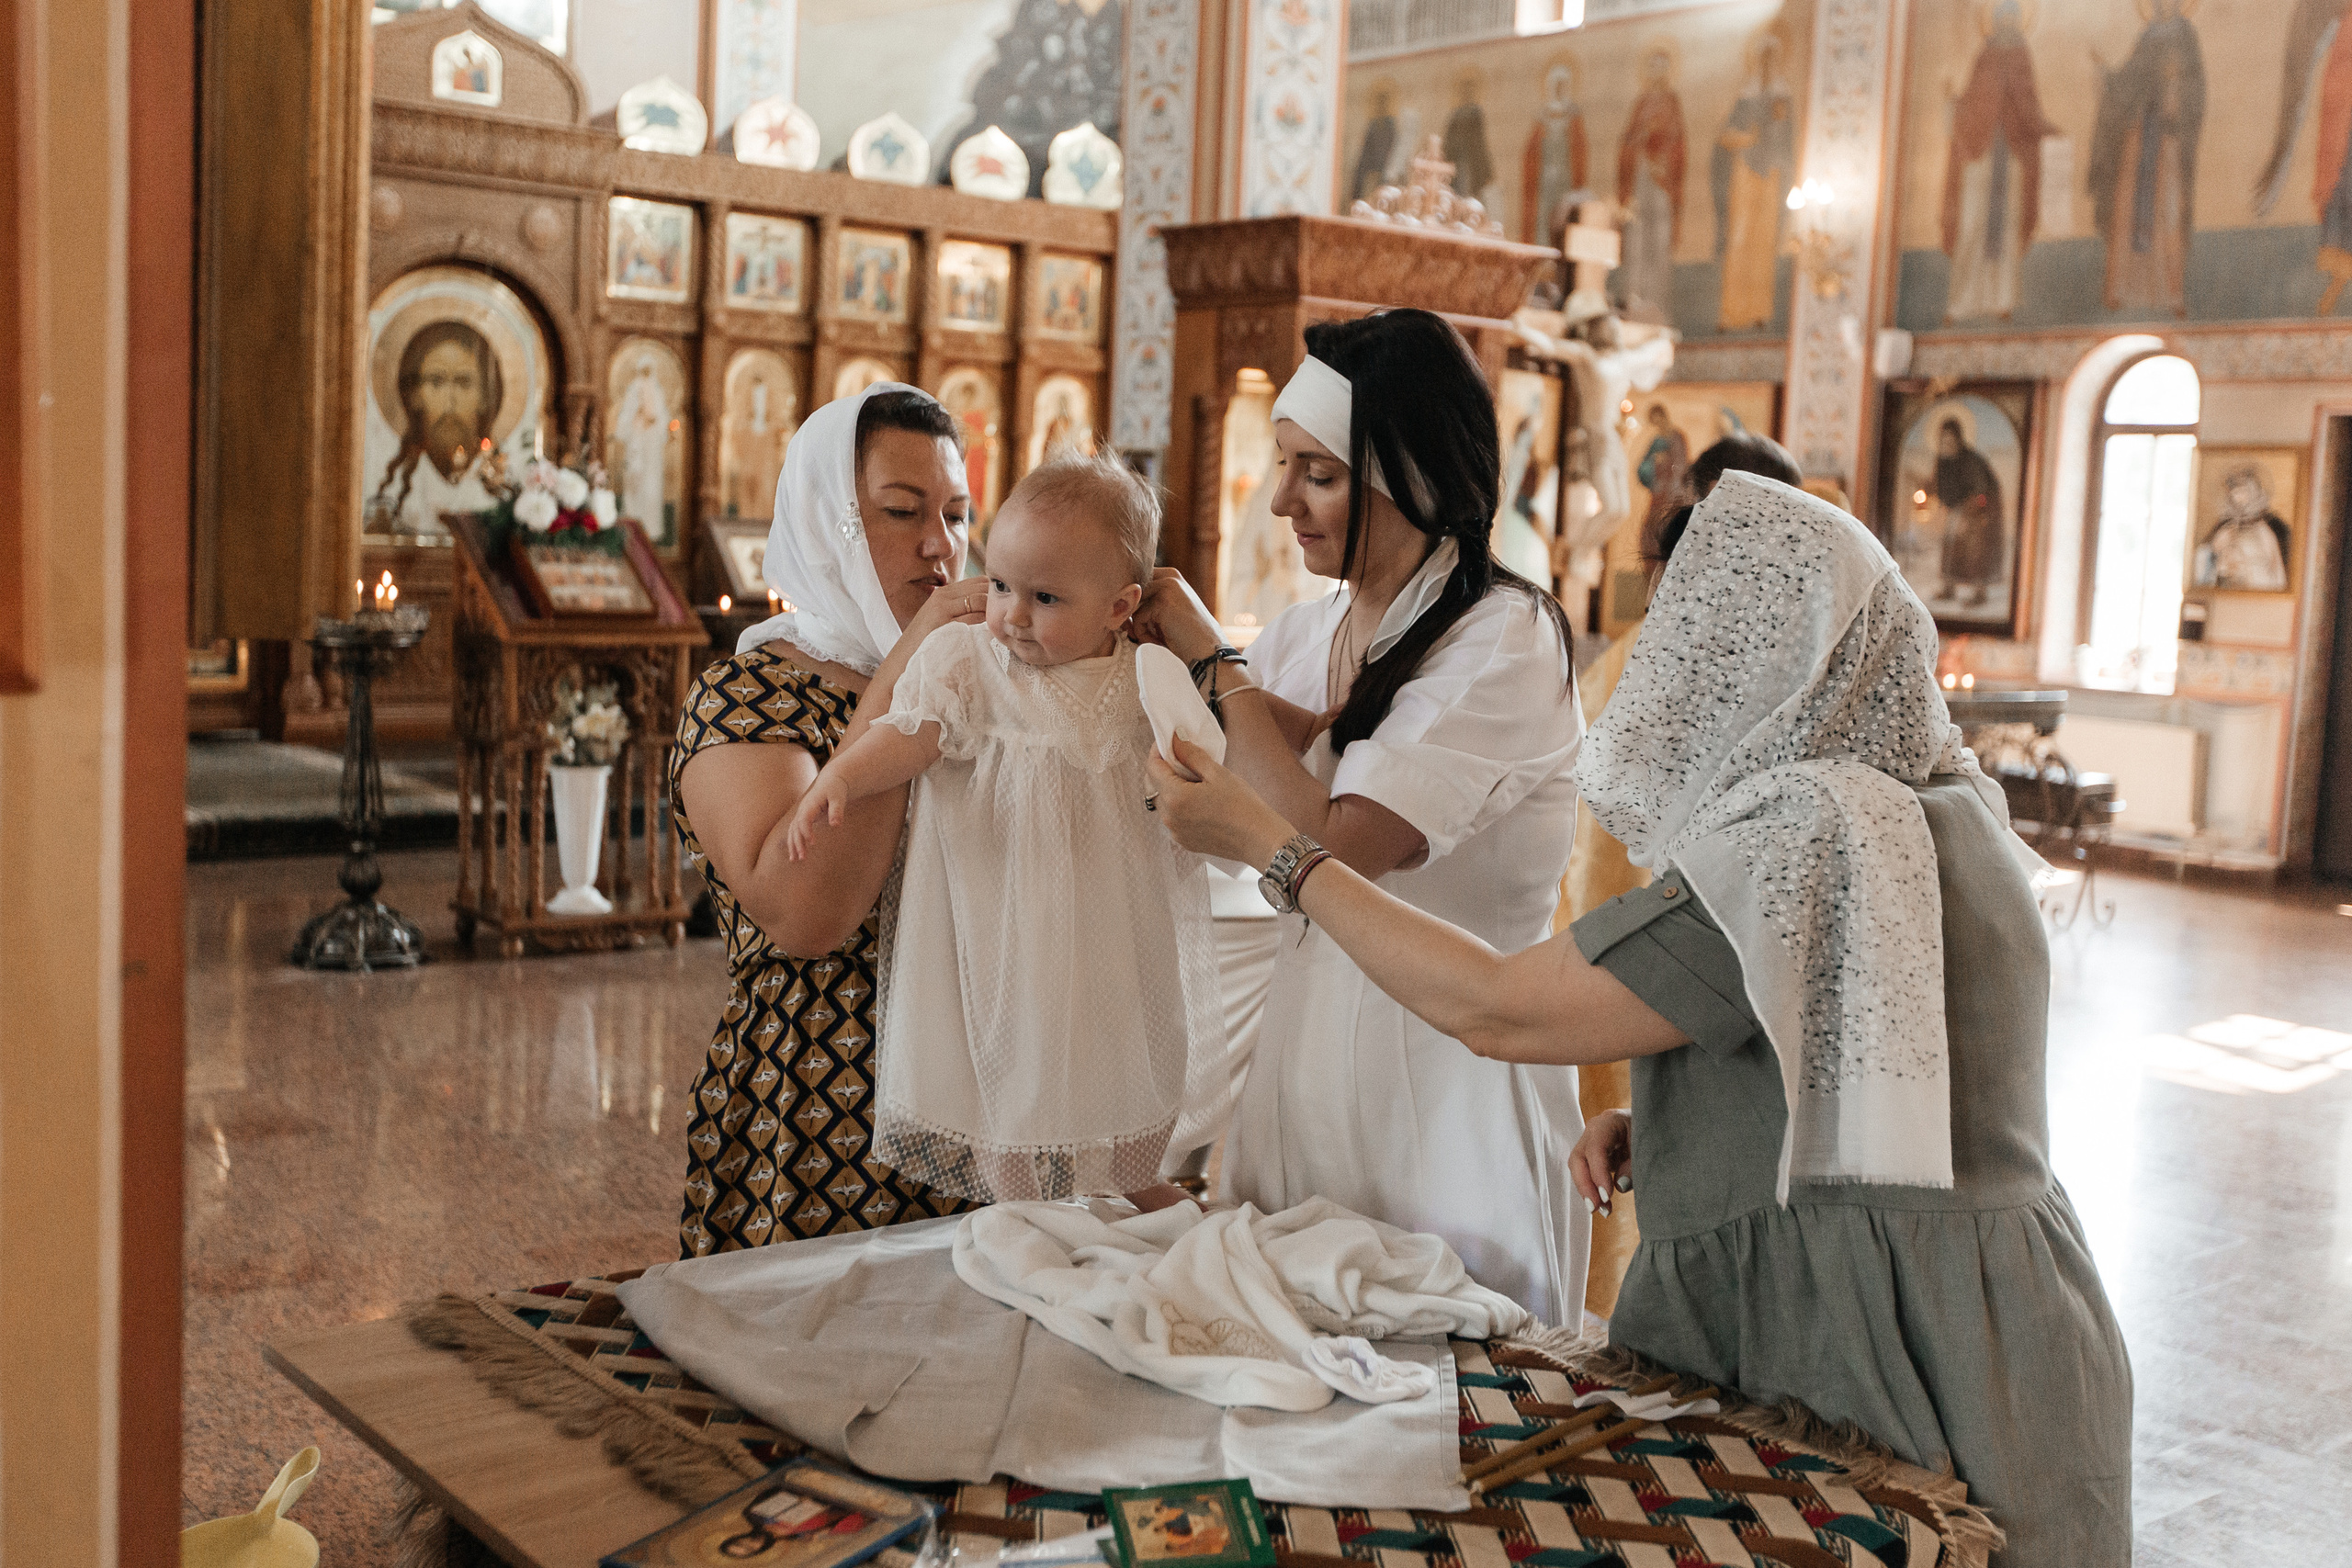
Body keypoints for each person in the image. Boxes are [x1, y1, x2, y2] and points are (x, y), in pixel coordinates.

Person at [1147, 471, 2132, 1567]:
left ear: (1755, 652)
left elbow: (1496, 1008)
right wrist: (1708, 1118)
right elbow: (1897, 1060)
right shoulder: (1948, 803)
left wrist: (1274, 850)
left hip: (1871, 1344)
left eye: (1685, 633)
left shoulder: (1798, 837)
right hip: (2010, 1322)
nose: (1664, 669)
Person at [1131, 309, 1588, 1324]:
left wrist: (1211, 663)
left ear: (1413, 477)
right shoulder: (1302, 637)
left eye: (1318, 474)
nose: (1281, 499)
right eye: (1282, 464)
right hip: (1299, 1073)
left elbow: (1332, 849)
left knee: (1452, 1411)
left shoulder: (1504, 640)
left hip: (1444, 1085)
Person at [786, 455, 1216, 1208]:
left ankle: (1134, 1188)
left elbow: (1206, 762)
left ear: (1119, 607)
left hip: (1116, 919)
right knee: (1005, 1058)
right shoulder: (969, 662)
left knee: (1129, 1048)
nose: (1012, 614)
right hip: (1002, 924)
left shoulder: (1146, 674)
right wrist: (844, 774)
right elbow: (914, 732)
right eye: (1001, 585)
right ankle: (1022, 1210)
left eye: (1045, 597)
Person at [669, 383, 989, 1255]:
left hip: (986, 1103)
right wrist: (910, 669)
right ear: (825, 521)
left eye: (957, 515)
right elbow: (810, 912)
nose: (940, 545)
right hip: (824, 1110)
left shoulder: (977, 680)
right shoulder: (749, 693)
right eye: (902, 511)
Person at [1932, 415, 2006, 606]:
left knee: (1975, 550)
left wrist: (1968, 513)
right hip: (1957, 509)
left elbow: (1981, 491)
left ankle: (1979, 591)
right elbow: (1941, 488)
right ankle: (1949, 588)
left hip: (1978, 512)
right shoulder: (1943, 461)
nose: (1947, 443)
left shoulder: (1971, 460)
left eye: (1950, 438)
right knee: (1950, 545)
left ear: (1958, 438)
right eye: (1943, 439)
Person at [2192, 467, 2291, 591]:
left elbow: (2275, 564)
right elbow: (2206, 556)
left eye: (2242, 491)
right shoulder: (2226, 526)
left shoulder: (2268, 527)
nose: (2238, 497)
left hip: (2259, 586)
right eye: (2234, 492)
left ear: (2253, 492)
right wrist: (2213, 550)